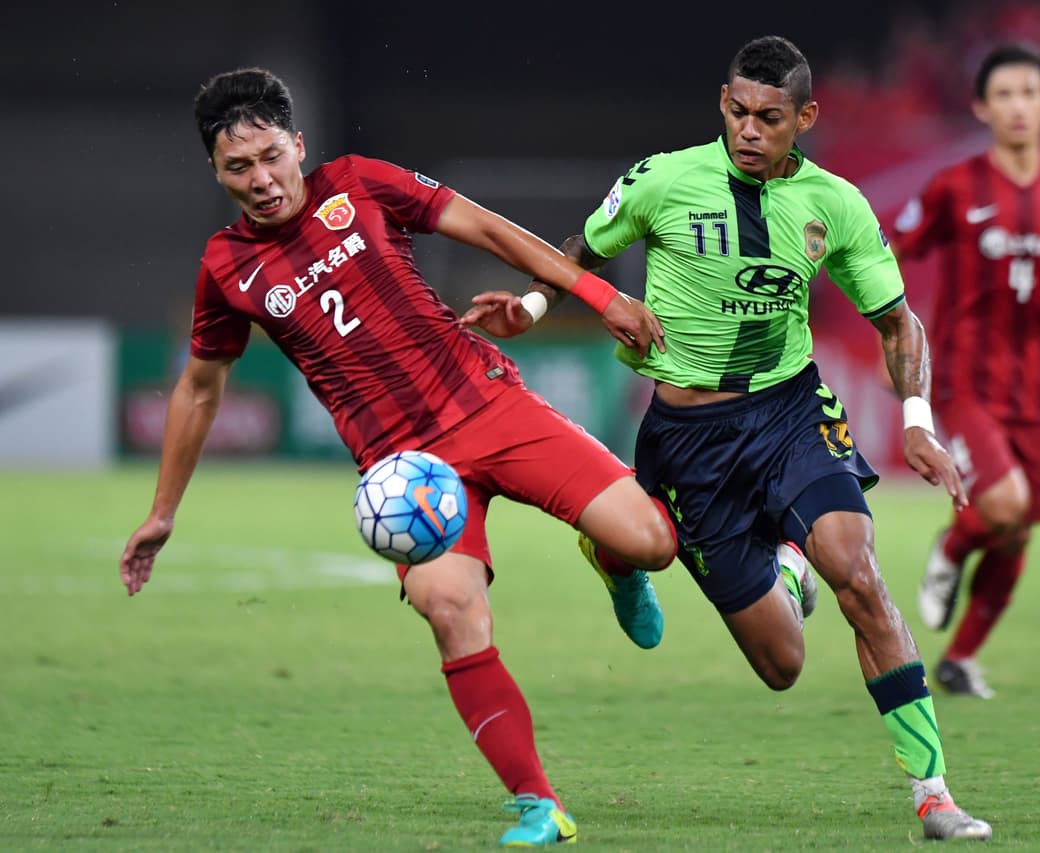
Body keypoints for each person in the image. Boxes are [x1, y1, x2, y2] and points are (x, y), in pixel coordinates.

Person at [117, 67, 680, 848]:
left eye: (271, 156)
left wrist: (598, 294)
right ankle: (538, 803)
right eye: (238, 167)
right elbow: (200, 388)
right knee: (450, 610)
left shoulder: (360, 185)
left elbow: (485, 229)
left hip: (490, 404)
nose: (262, 180)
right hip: (406, 471)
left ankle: (613, 559)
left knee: (652, 539)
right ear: (215, 171)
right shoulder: (227, 266)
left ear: (298, 145)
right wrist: (161, 512)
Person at [461, 35, 991, 841]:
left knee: (858, 575)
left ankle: (934, 793)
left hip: (789, 412)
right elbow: (578, 250)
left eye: (770, 118)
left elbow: (896, 319)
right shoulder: (663, 179)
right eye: (738, 112)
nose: (749, 130)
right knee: (783, 666)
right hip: (689, 440)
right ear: (722, 103)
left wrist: (917, 421)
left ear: (804, 118)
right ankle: (624, 556)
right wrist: (532, 311)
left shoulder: (836, 204)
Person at [890, 43, 1040, 698]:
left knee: (1022, 522)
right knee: (1006, 503)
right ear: (981, 107)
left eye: (1029, 93)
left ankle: (960, 658)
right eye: (1004, 95)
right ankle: (952, 549)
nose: (1018, 106)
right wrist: (895, 335)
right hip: (964, 383)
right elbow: (890, 253)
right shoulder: (953, 188)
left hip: (1036, 392)